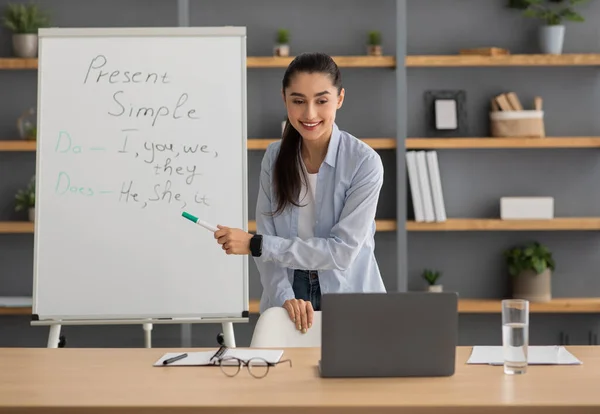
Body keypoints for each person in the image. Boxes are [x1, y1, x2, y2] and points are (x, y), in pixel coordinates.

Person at [214, 52, 386, 333]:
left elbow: (341, 253)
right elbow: (267, 232)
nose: (309, 114)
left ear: (339, 99)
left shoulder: (364, 162)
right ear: (284, 99)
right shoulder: (274, 157)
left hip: (349, 293)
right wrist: (285, 296)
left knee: (354, 376)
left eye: (321, 101)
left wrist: (257, 244)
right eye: (298, 101)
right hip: (289, 296)